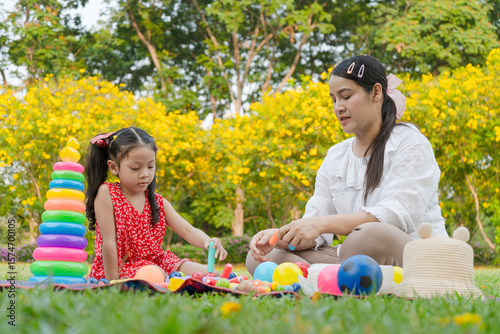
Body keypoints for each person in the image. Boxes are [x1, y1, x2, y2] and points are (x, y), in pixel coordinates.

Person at [246, 55, 448, 275]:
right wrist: (280, 237)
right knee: (261, 258)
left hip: (413, 253)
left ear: (376, 92)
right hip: (355, 254)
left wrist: (321, 225)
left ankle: (319, 275)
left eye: (346, 96)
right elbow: (314, 226)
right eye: (334, 99)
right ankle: (342, 275)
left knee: (365, 237)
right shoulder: (335, 156)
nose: (338, 107)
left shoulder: (409, 141)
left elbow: (395, 217)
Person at [86, 127, 227, 282]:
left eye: (150, 166)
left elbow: (188, 231)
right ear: (113, 167)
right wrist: (112, 281)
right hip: (120, 267)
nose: (145, 173)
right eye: (135, 168)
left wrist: (209, 242)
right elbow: (109, 242)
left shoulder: (158, 202)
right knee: (156, 274)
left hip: (157, 262)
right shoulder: (107, 193)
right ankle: (171, 283)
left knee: (212, 274)